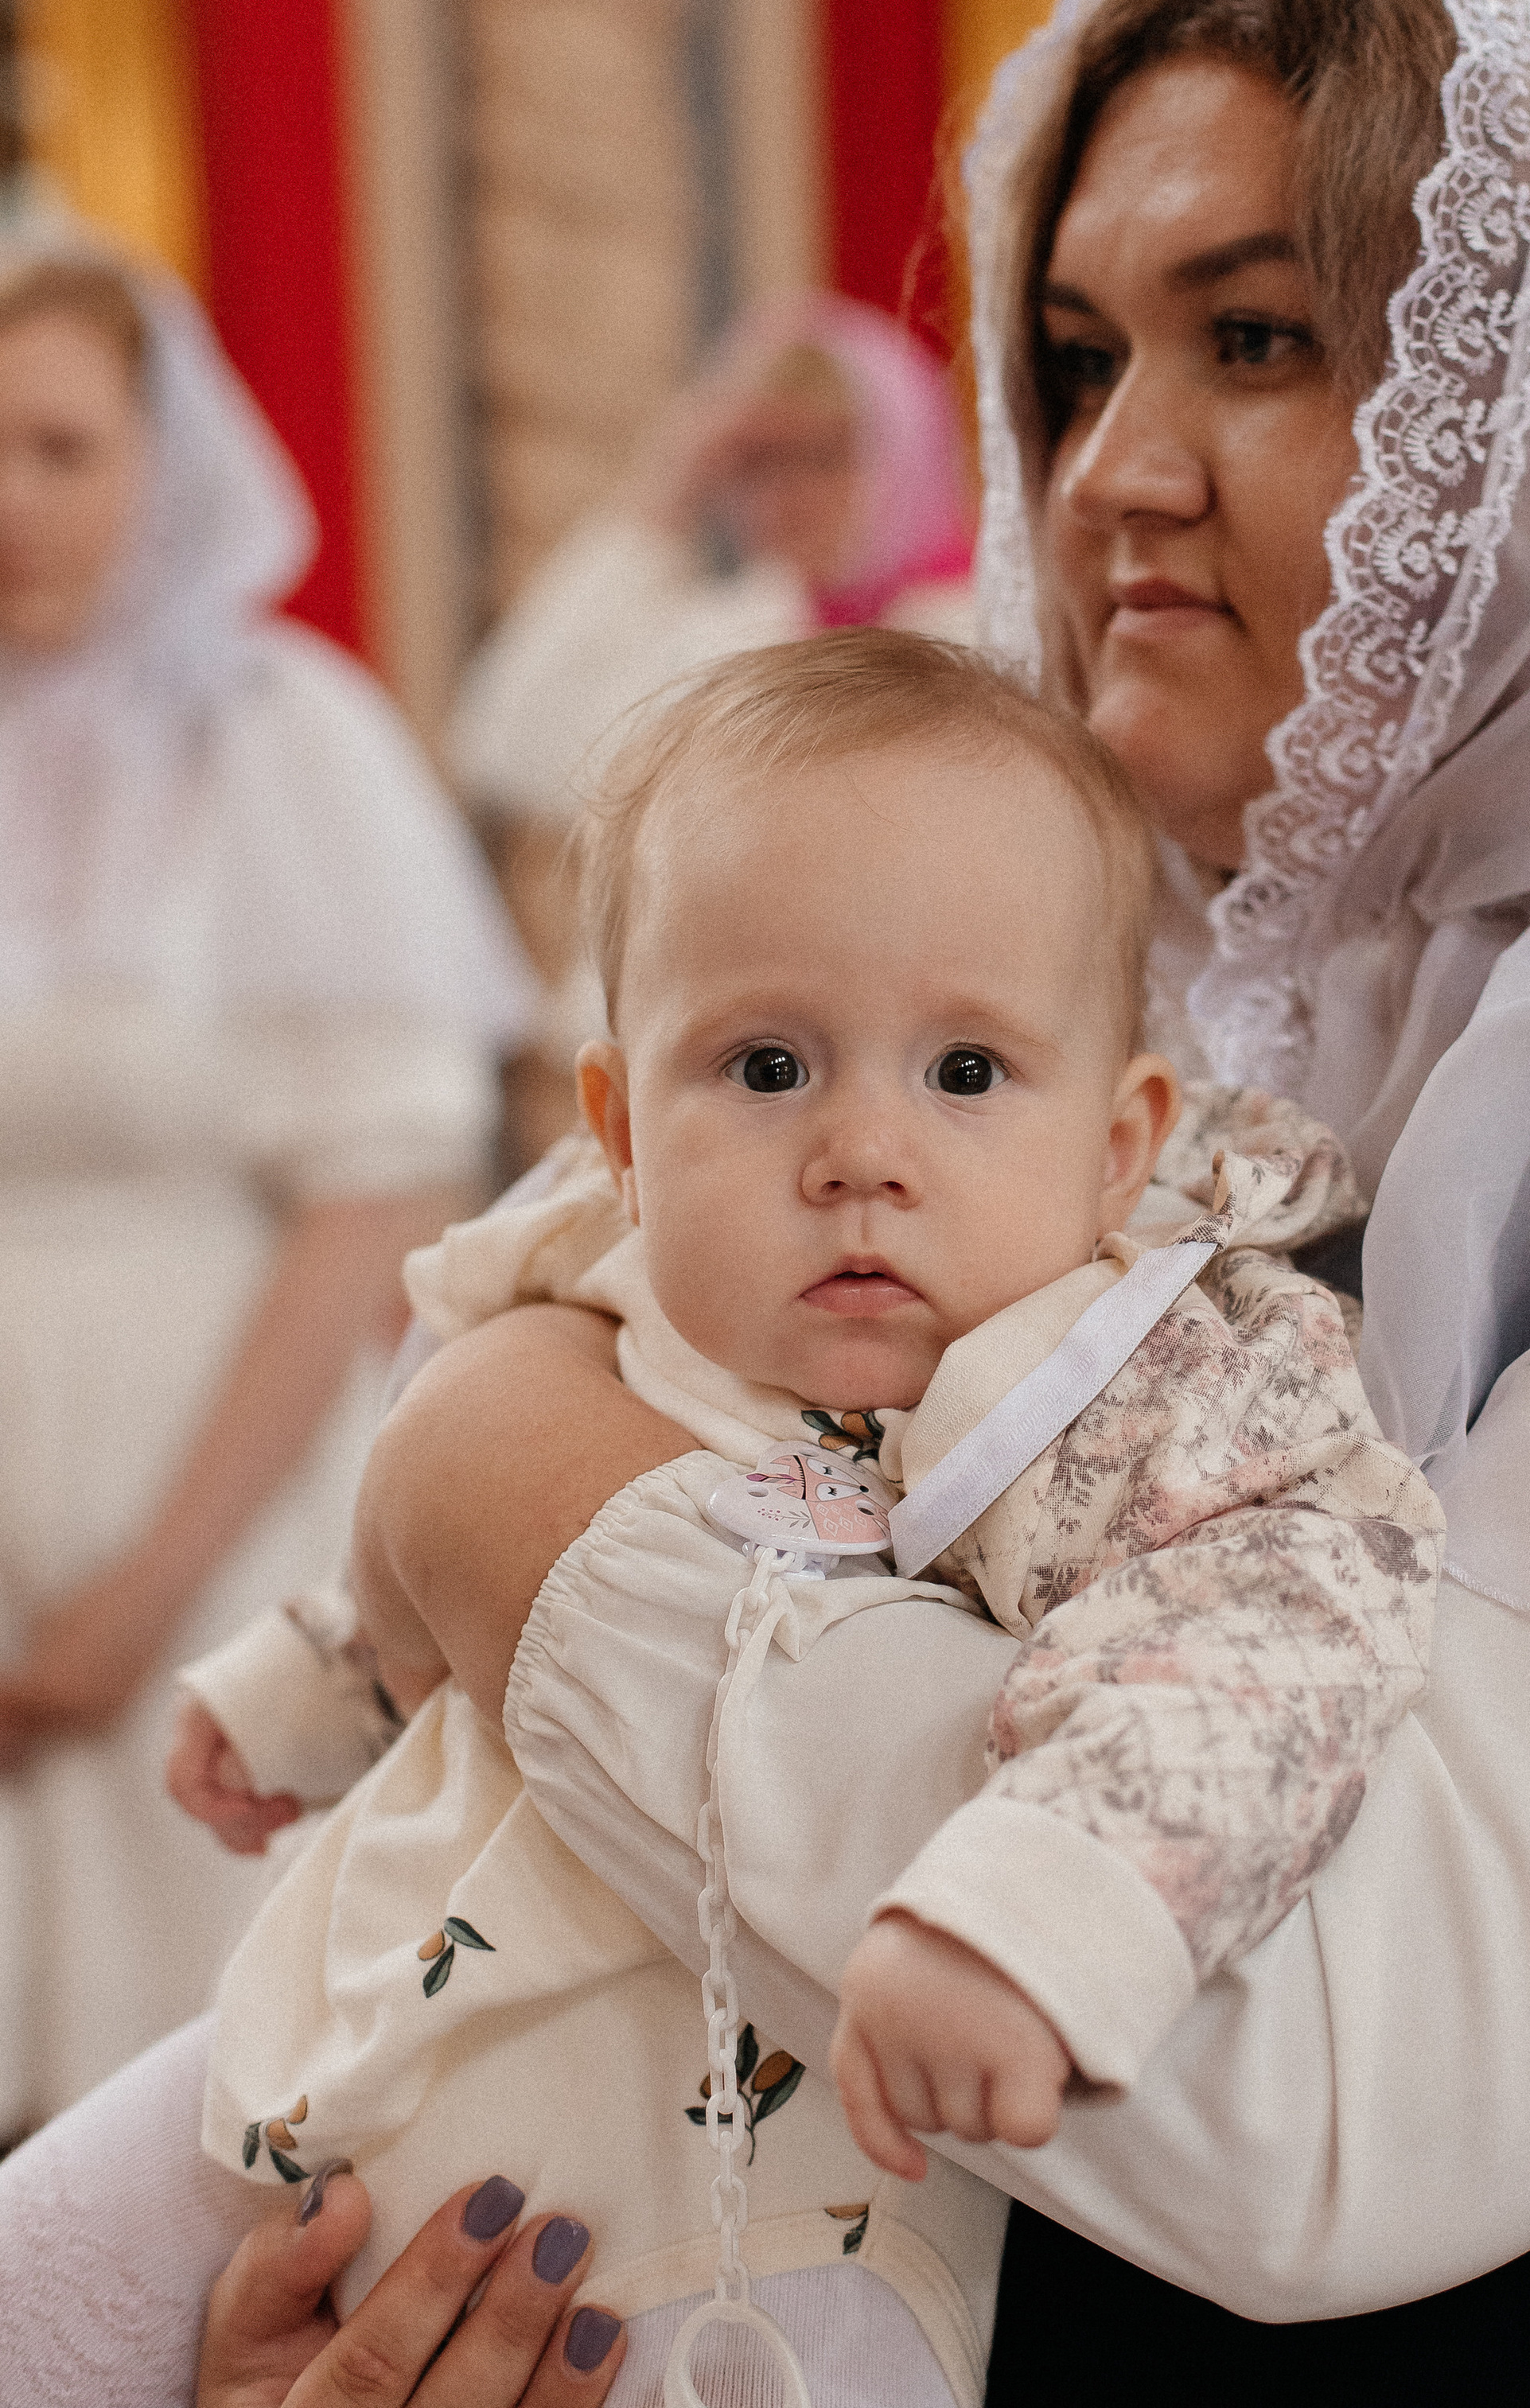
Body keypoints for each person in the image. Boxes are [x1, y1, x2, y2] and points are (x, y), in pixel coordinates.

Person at [10, 0, 1530, 2402]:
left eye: (1263, 339)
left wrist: (511, 1494)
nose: (1110, 473)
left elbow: (1315, 2103)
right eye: (1078, 359)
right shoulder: (1154, 990)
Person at [178, 634, 1438, 2402]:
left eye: (967, 1073)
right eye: (765, 1070)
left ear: (1115, 1136)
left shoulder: (1112, 1379)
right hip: (382, 2056)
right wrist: (300, 1692)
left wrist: (1040, 1905)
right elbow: (412, 1558)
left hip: (768, 2211)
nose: (859, 1150)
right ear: (619, 1126)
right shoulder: (603, 1279)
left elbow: (1269, 1641)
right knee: (61, 2274)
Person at [0, 231, 535, 2138]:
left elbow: (373, 1199)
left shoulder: (283, 737)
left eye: (59, 446)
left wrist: (135, 1593)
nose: (13, 497)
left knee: (212, 2118)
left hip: (212, 1539)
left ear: (163, 465)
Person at [448, 296, 975, 1150]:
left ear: (902, 454)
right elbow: (509, 739)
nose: (787, 496)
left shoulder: (983, 640)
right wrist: (663, 488)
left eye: (822, 458)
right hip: (689, 1105)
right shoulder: (727, 636)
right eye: (755, 464)